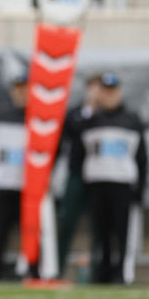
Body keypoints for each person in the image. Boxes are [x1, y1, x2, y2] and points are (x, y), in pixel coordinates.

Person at [80, 72, 146, 284]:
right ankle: (103, 271)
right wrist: (89, 106)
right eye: (104, 91)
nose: (108, 96)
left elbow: (141, 157)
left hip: (122, 183)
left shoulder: (131, 119)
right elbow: (72, 134)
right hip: (97, 183)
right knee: (101, 231)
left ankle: (121, 272)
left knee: (122, 231)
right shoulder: (91, 119)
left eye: (112, 91)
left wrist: (140, 186)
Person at [0, 71, 28, 280]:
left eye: (25, 88)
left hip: (29, 187)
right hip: (2, 183)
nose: (21, 93)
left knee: (29, 233)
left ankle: (30, 270)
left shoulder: (40, 120)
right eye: (18, 89)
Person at [56, 74, 99, 276]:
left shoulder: (110, 115)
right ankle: (56, 268)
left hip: (99, 179)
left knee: (99, 227)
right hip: (77, 174)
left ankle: (99, 272)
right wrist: (89, 111)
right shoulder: (75, 113)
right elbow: (72, 132)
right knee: (66, 223)